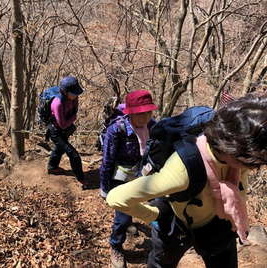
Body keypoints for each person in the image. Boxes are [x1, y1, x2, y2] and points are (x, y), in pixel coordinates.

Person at [107, 94, 267, 268]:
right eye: (254, 162)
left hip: (218, 225)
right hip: (177, 226)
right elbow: (116, 197)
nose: (254, 168)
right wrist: (155, 215)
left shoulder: (236, 158)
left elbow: (240, 187)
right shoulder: (182, 169)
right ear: (233, 149)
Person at [100, 90, 158, 268]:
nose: (146, 117)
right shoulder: (117, 129)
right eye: (141, 113)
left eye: (149, 112)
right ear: (130, 113)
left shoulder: (152, 126)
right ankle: (116, 246)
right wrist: (104, 187)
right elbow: (107, 159)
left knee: (150, 209)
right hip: (121, 176)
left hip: (143, 174)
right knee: (122, 218)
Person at [47, 76, 88, 189]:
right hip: (55, 131)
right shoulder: (57, 103)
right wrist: (74, 118)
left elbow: (74, 111)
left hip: (65, 129)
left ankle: (52, 167)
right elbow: (63, 124)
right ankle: (81, 179)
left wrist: (72, 117)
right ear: (65, 92)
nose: (76, 96)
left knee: (60, 148)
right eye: (73, 93)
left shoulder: (74, 98)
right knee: (73, 155)